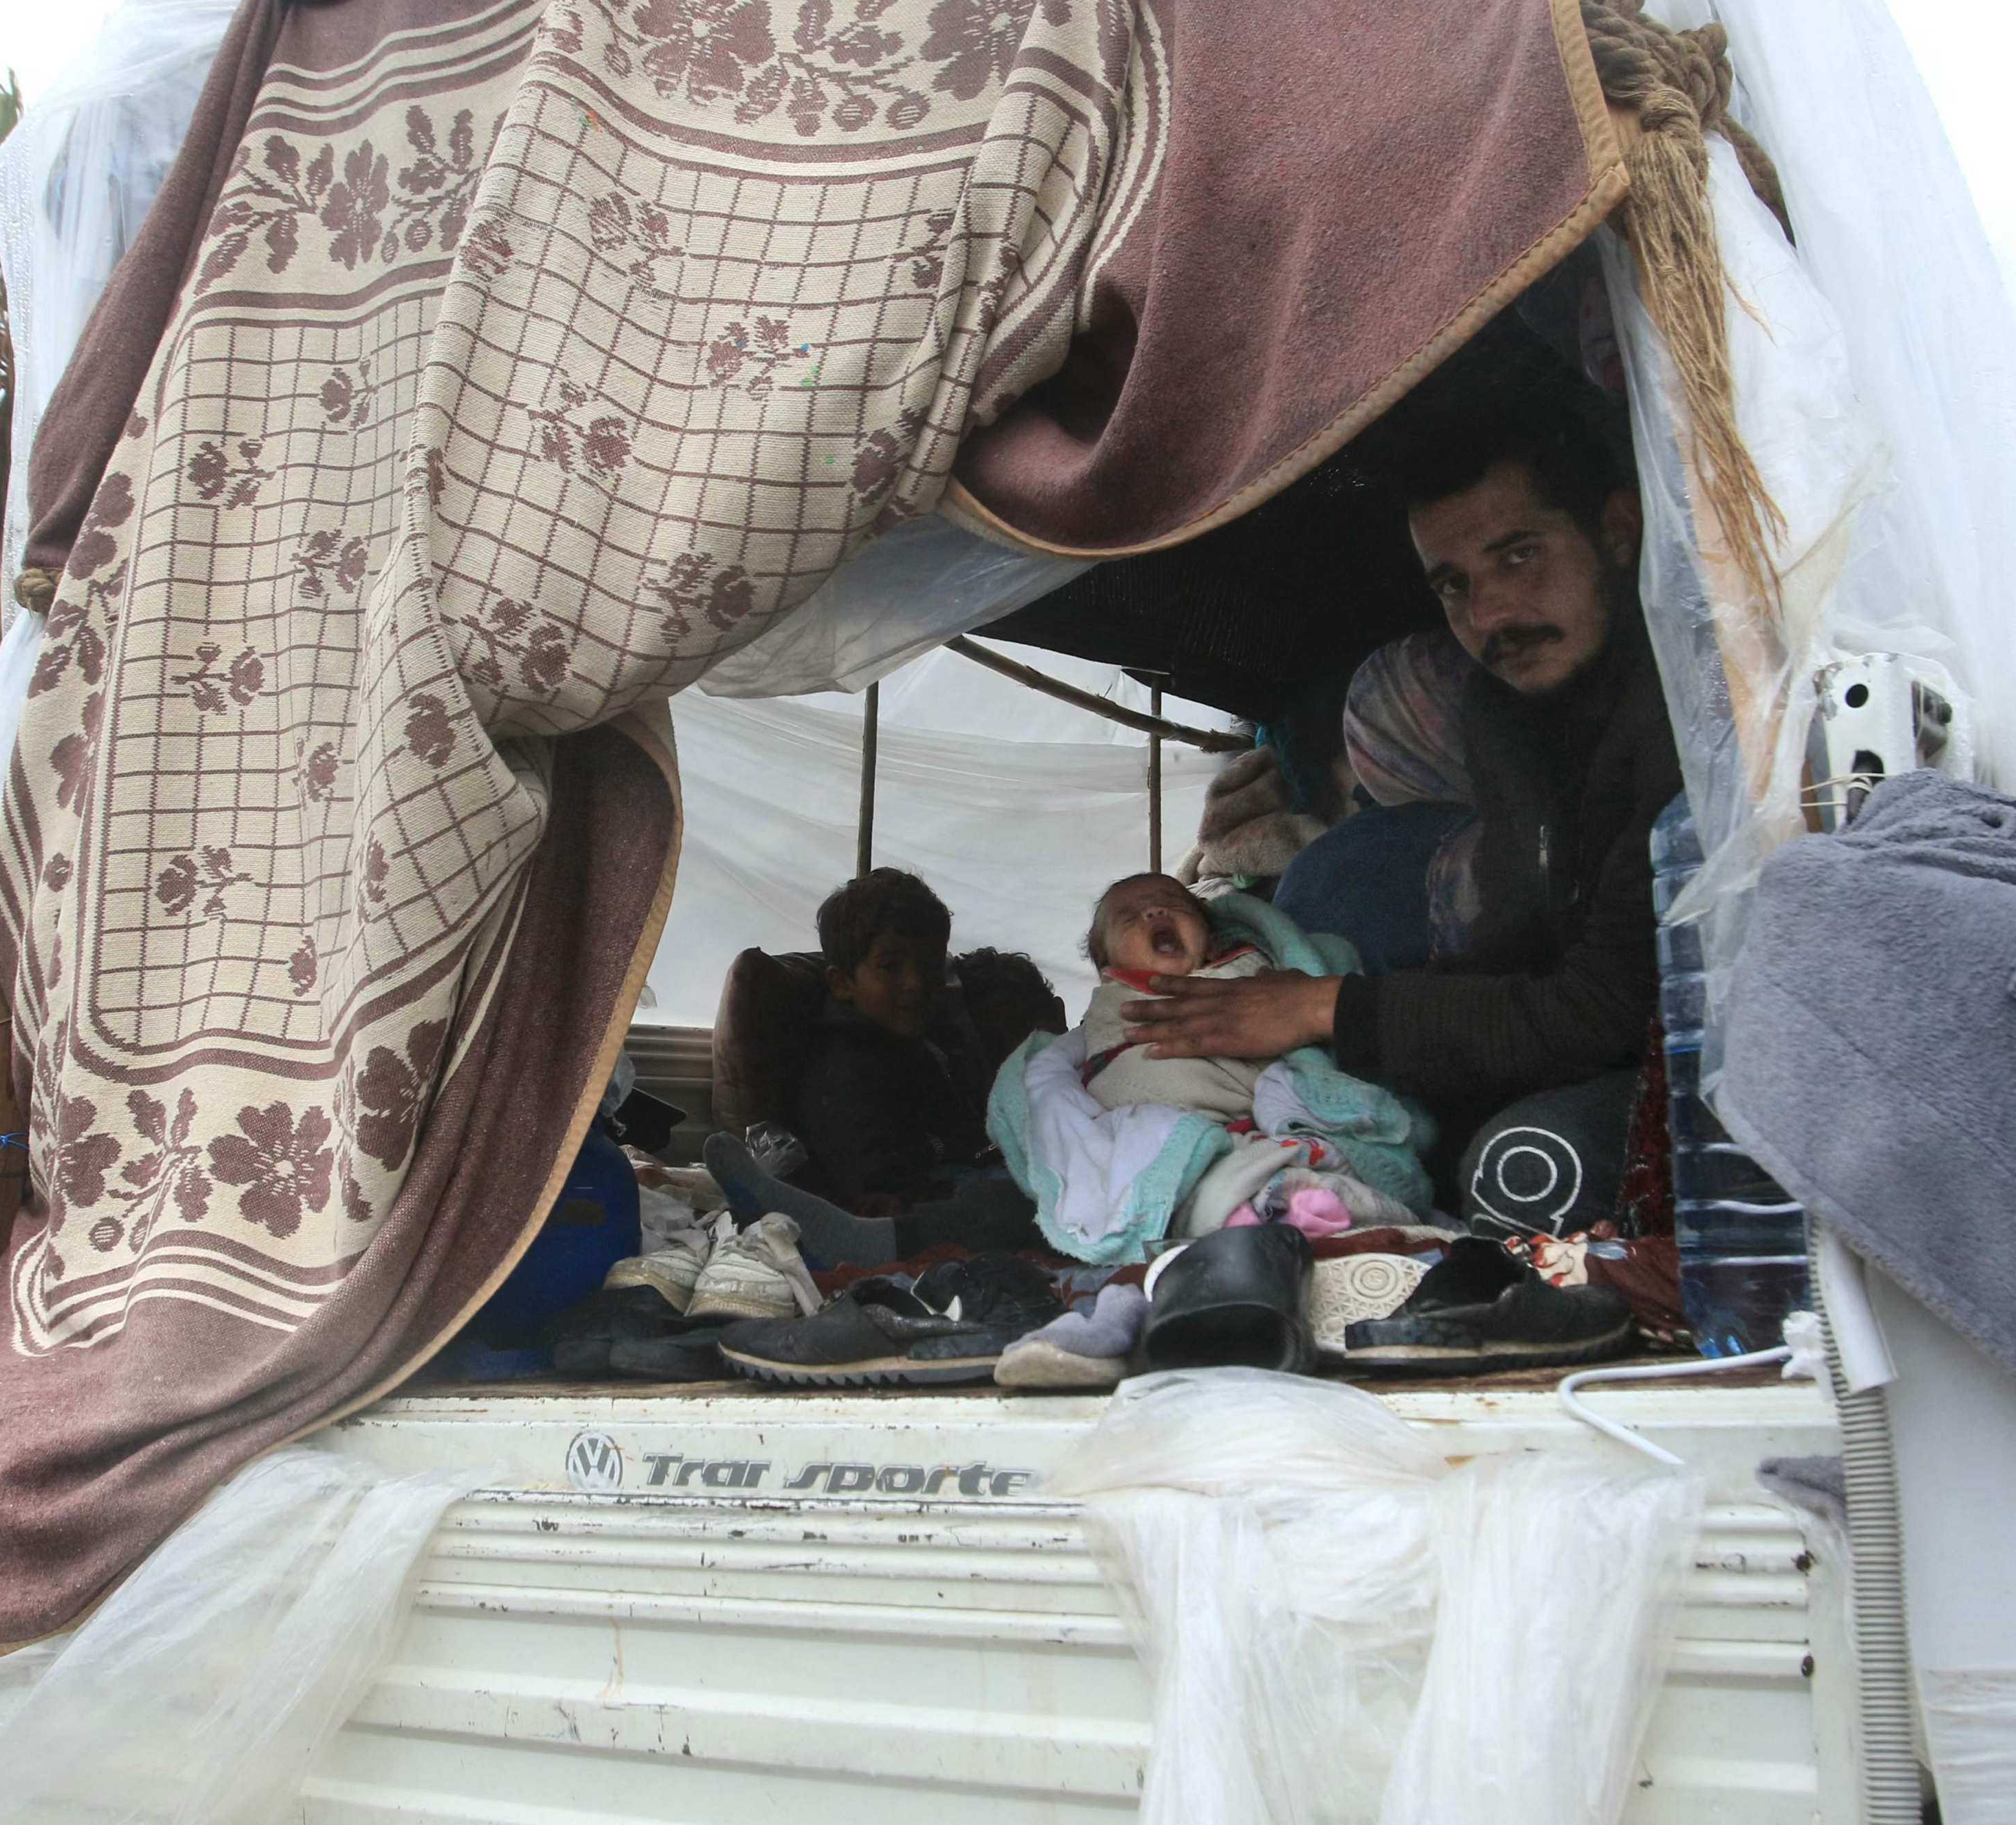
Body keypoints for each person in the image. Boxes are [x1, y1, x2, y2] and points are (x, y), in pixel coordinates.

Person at [1120, 381, 1681, 1241]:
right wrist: (1315, 1017)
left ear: (1616, 530)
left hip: (1682, 1075)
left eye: (1520, 555)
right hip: (1570, 1045)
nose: (1489, 614)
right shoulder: (1508, 717)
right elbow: (1513, 957)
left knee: (1523, 1164)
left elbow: (1602, 1012)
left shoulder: (1680, 713)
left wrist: (1326, 1008)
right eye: (1454, 586)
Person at [710, 869, 1048, 1265]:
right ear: (842, 984)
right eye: (891, 966)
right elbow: (874, 1180)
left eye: (929, 965)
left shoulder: (932, 1043)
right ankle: (862, 1241)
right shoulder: (842, 1065)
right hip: (925, 1202)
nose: (916, 983)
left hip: (965, 1179)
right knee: (1021, 1204)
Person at [1077, 872, 1270, 1121]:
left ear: (1212, 943)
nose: (1155, 911)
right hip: (1154, 1108)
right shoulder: (1114, 1005)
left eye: (1173, 904)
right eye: (1128, 918)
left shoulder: (1251, 973)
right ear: (1109, 967)